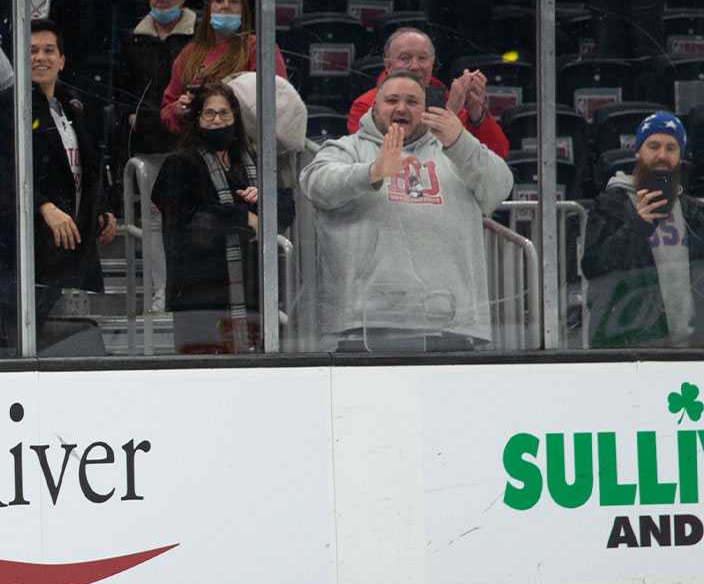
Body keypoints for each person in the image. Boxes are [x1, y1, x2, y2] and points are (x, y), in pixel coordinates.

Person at [300, 71, 515, 351]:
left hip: (452, 324)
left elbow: (500, 187)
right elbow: (316, 184)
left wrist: (461, 141)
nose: (401, 108)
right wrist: (372, 172)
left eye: (412, 101)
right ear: (375, 107)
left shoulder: (455, 150)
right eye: (392, 100)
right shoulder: (347, 149)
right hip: (363, 324)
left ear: (424, 109)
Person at [0, 19, 115, 322]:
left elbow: (90, 164)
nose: (40, 57)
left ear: (62, 60)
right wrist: (43, 206)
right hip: (34, 243)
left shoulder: (76, 105)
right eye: (31, 51)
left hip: (79, 241)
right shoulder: (2, 107)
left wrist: (104, 207)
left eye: (48, 50)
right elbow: (0, 173)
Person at [152, 84, 284, 354]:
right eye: (209, 114)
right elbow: (188, 223)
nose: (217, 121)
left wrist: (265, 200)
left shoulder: (252, 159)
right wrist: (244, 216)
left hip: (252, 290)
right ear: (196, 118)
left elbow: (288, 206)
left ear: (235, 117)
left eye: (224, 113)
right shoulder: (179, 163)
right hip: (199, 295)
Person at [582, 111, 704, 348]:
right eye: (654, 146)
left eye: (671, 148)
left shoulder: (693, 212)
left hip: (691, 349)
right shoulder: (611, 204)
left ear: (680, 156)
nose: (662, 155)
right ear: (638, 151)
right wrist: (638, 225)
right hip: (631, 347)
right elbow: (594, 266)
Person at [345, 27, 511, 157]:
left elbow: (497, 155)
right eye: (405, 58)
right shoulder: (365, 105)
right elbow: (398, 160)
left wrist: (477, 115)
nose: (415, 66)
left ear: (432, 63)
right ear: (388, 65)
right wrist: (451, 111)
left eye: (422, 58)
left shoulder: (447, 96)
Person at [160, 0, 287, 136]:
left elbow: (279, 103)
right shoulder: (189, 53)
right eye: (219, 0)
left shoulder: (261, 49)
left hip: (244, 148)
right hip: (194, 145)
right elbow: (166, 110)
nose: (225, 6)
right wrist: (178, 110)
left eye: (234, 1)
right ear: (209, 8)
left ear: (244, 9)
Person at [116, 0, 196, 160]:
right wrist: (130, 116)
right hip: (143, 134)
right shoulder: (132, 40)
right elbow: (121, 87)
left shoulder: (198, 38)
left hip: (184, 131)